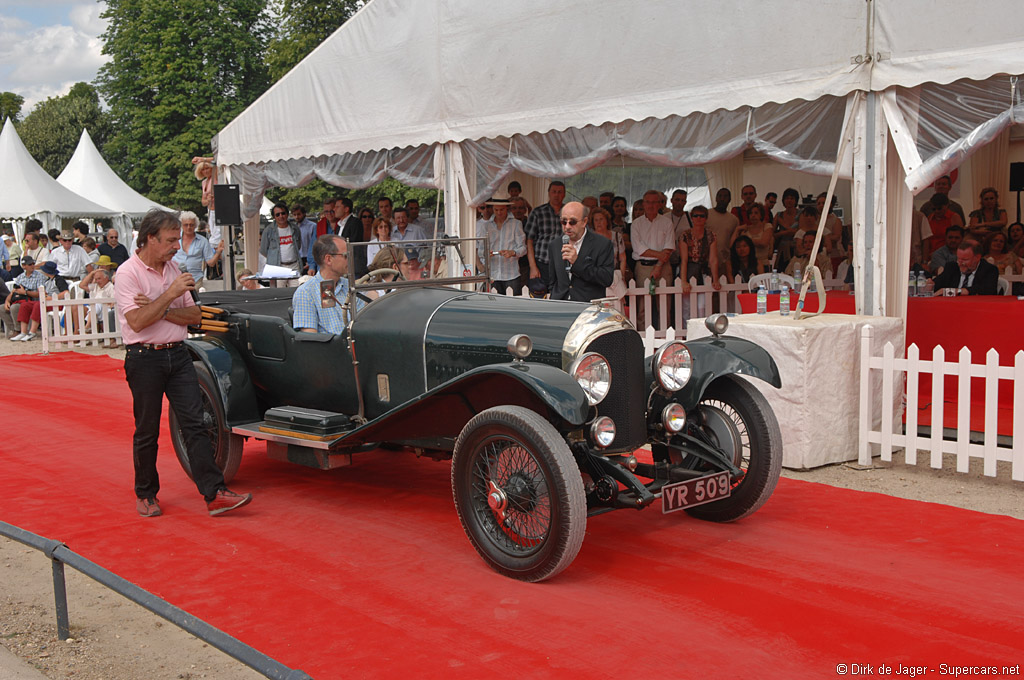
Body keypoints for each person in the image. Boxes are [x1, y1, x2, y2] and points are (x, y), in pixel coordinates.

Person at [116, 210, 253, 517]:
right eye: (170, 239)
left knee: (196, 424)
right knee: (147, 430)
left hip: (178, 353)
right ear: (150, 238)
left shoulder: (172, 267)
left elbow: (194, 317)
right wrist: (171, 295)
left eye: (178, 238)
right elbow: (137, 322)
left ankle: (214, 493)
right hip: (144, 357)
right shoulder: (128, 273)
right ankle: (146, 494)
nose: (177, 245)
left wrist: (159, 307)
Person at [292, 235, 364, 334]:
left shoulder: (351, 286)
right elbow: (310, 339)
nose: (350, 260)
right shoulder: (306, 293)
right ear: (328, 259)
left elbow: (364, 324)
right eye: (346, 256)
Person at [547, 202, 614, 302]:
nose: (567, 226)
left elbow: (606, 279)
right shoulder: (555, 245)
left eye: (572, 222)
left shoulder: (602, 244)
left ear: (584, 222)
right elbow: (553, 280)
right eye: (564, 222)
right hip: (561, 305)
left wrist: (577, 262)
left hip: (588, 306)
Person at [479, 193, 526, 295]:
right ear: (493, 209)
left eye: (502, 210)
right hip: (493, 273)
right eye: (496, 210)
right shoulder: (486, 226)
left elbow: (523, 248)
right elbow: (481, 250)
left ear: (507, 209)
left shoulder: (516, 224)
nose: (499, 212)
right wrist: (487, 253)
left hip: (511, 273)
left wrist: (513, 252)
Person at [524, 180, 566, 293]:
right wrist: (533, 267)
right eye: (554, 192)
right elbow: (529, 241)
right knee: (540, 297)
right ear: (549, 193)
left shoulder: (568, 213)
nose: (556, 195)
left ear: (564, 194)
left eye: (560, 192)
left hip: (563, 264)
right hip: (542, 263)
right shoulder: (537, 212)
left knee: (561, 298)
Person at [931, 240, 998, 296]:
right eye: (958, 259)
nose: (960, 263)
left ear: (977, 257)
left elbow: (987, 290)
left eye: (965, 259)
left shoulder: (990, 270)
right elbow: (937, 284)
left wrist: (954, 291)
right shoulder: (952, 267)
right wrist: (929, 284)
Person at [172, 211, 221, 288]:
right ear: (181, 225)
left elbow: (210, 263)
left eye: (191, 225)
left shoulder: (203, 241)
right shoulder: (174, 239)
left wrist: (218, 252)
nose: (189, 227)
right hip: (175, 279)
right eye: (186, 225)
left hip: (195, 280)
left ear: (195, 226)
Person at [679, 206, 722, 292]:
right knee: (686, 304)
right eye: (695, 215)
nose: (698, 218)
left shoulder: (711, 235)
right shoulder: (685, 235)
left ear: (706, 218)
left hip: (704, 271)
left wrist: (715, 280)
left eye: (702, 216)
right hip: (689, 270)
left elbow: (713, 259)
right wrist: (683, 281)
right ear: (691, 217)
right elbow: (684, 260)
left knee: (703, 303)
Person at [5, 256, 44, 341]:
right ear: (24, 266)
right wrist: (7, 301)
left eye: (33, 263)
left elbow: (40, 294)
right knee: (2, 308)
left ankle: (19, 330)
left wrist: (25, 292)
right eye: (30, 264)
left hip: (32, 300)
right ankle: (15, 329)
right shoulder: (20, 277)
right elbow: (13, 292)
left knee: (15, 307)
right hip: (21, 299)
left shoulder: (39, 276)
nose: (32, 265)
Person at [259, 202, 303, 278]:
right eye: (277, 214)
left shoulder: (295, 228)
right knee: (279, 290)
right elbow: (263, 250)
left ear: (287, 214)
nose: (281, 216)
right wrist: (273, 257)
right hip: (277, 267)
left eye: (283, 213)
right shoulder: (268, 230)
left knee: (296, 288)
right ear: (274, 217)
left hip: (294, 265)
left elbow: (298, 246)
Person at [730, 203, 773, 269]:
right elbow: (732, 245)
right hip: (748, 265)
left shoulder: (767, 226)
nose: (753, 215)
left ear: (761, 215)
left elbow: (764, 243)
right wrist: (737, 229)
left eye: (756, 213)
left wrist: (747, 239)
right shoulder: (745, 229)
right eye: (751, 213)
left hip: (763, 263)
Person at [589, 207, 626, 282]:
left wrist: (622, 276)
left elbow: (623, 259)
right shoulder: (589, 239)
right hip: (596, 277)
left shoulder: (617, 236)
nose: (598, 222)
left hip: (615, 275)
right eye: (596, 220)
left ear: (607, 221)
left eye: (601, 219)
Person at [706, 188, 739, 267]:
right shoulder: (706, 214)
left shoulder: (734, 220)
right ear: (716, 198)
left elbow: (733, 242)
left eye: (725, 196)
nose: (722, 199)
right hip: (706, 261)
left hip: (724, 262)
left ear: (730, 199)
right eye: (720, 196)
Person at [291, 204, 318, 274]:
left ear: (304, 214)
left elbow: (315, 245)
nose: (296, 217)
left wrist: (312, 261)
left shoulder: (312, 226)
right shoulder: (293, 228)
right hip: (297, 259)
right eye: (294, 215)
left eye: (299, 214)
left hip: (308, 258)